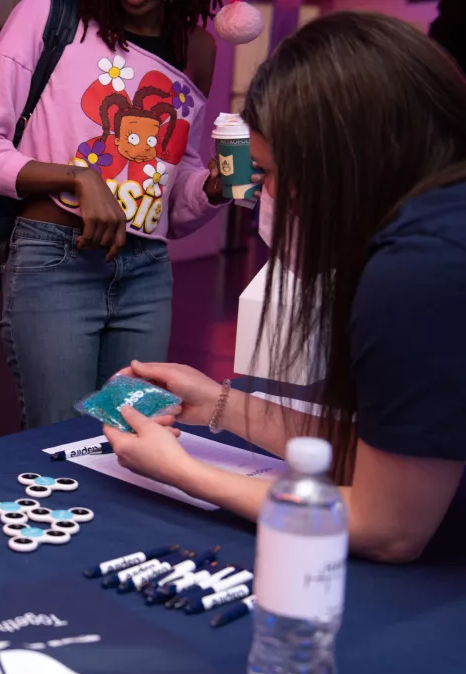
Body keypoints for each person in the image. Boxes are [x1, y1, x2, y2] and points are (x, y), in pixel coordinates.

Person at [103, 13, 466, 564]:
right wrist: (220, 404)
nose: (258, 196)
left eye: (268, 174)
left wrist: (181, 472)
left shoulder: (417, 273)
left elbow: (387, 524)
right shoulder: (438, 225)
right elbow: (390, 459)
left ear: (337, 166)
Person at [0, 0, 227, 429]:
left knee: (138, 439)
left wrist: (211, 187)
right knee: (59, 441)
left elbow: (172, 184)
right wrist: (78, 178)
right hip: (56, 261)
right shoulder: (49, 13)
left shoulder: (197, 49)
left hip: (146, 272)